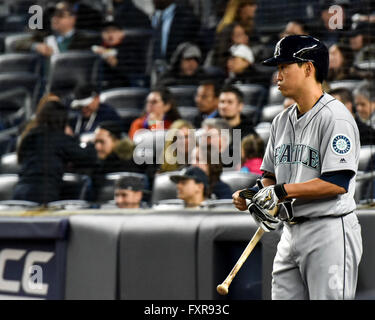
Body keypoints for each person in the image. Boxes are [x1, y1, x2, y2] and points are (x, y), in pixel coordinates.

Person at [233, 35, 362, 300]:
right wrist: (251, 194)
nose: (277, 76)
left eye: (284, 67)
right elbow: (270, 178)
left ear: (308, 68)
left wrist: (280, 192)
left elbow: (336, 183)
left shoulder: (336, 118)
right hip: (291, 231)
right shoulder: (280, 121)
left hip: (329, 229)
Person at [13, 100, 97, 204]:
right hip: (43, 193)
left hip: (19, 191)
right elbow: (87, 157)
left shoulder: (29, 136)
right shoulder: (58, 138)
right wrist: (90, 144)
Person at [13, 1, 99, 56]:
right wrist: (35, 46)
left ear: (73, 19)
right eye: (53, 15)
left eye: (60, 16)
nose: (54, 19)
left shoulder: (85, 40)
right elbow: (16, 44)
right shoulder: (45, 36)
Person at [89, 120, 145, 202]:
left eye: (101, 142)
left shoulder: (132, 162)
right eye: (96, 142)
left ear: (116, 140)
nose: (97, 147)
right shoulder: (98, 163)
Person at [92, 21, 147, 89]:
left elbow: (134, 73)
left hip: (125, 87)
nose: (110, 35)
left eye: (114, 31)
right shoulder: (97, 48)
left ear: (122, 33)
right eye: (106, 31)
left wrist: (113, 61)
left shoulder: (131, 48)